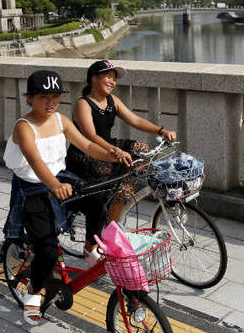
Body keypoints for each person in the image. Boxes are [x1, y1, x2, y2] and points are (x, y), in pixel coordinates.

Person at [1, 70, 130, 325]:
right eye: (43, 97)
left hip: (60, 179)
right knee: (48, 252)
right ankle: (33, 291)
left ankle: (89, 249)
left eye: (56, 97)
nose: (51, 103)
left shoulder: (61, 120)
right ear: (29, 98)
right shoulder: (23, 127)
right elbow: (35, 161)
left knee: (97, 203)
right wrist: (54, 185)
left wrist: (113, 154)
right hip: (32, 188)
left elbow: (87, 145)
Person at [67, 60, 176, 223]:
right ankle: (112, 217)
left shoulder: (113, 100)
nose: (112, 82)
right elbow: (91, 136)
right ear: (93, 78)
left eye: (114, 78)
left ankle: (120, 199)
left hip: (108, 147)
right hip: (87, 155)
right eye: (108, 77)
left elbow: (135, 120)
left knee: (141, 150)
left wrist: (161, 131)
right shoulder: (83, 104)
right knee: (120, 182)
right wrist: (115, 150)